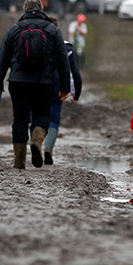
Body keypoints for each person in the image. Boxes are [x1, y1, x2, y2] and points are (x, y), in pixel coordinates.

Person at [0, 0, 71, 169]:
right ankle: (36, 139)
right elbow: (63, 60)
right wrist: (65, 86)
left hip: (18, 82)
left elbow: (1, 59)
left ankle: (19, 160)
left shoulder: (15, 29)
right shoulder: (52, 30)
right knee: (42, 115)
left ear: (24, 10)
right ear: (42, 10)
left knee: (19, 118)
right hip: (44, 82)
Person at [43, 16, 83, 165]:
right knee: (54, 119)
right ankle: (48, 148)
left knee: (36, 116)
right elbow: (75, 73)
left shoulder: (38, 43)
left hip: (38, 87)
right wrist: (75, 93)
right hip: (57, 88)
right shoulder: (66, 47)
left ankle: (36, 142)